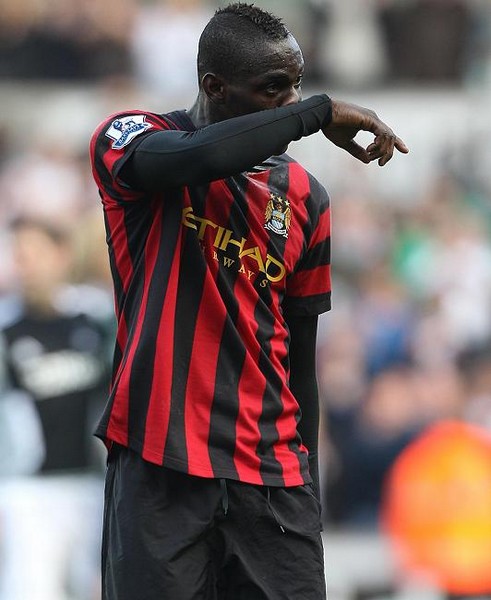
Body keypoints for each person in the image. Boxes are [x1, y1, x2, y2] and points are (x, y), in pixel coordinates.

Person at [89, 3, 408, 599]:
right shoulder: (134, 136)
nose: (290, 103)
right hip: (161, 462)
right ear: (214, 86)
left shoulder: (305, 196)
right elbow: (197, 157)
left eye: (297, 87)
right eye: (272, 89)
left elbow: (300, 356)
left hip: (271, 475)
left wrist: (309, 488)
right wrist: (318, 113)